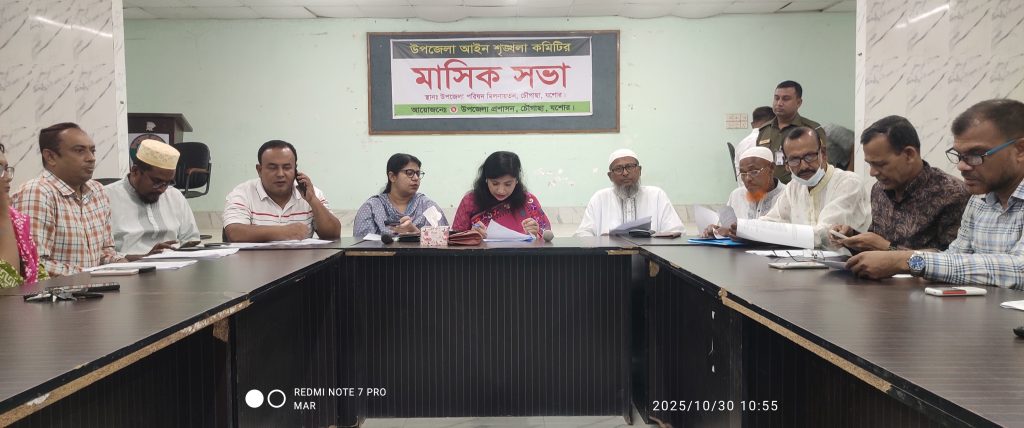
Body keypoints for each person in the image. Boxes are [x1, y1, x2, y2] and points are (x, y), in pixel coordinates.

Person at [847, 99, 1024, 289]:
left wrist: (902, 260)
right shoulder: (979, 201)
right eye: (959, 156)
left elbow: (1020, 269)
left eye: (976, 155)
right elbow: (954, 257)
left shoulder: (956, 193)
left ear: (1020, 150)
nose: (961, 166)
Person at [830, 116, 968, 252]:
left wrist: (887, 248)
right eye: (870, 164)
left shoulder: (952, 194)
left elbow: (953, 260)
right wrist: (851, 237)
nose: (872, 173)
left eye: (880, 164)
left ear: (909, 154)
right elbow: (875, 248)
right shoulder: (879, 190)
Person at [13, 122, 121, 276]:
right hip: (56, 291)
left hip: (97, 285)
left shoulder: (98, 190)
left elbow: (105, 252)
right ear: (50, 157)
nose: (91, 158)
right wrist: (89, 274)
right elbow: (34, 264)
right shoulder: (37, 192)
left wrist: (122, 263)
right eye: (79, 151)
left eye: (92, 151)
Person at [760, 127, 871, 250]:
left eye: (809, 156)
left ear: (823, 154)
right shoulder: (794, 187)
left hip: (846, 260)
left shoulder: (848, 183)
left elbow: (825, 233)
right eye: (794, 160)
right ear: (786, 165)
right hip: (802, 259)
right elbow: (772, 221)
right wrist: (748, 229)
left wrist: (777, 233)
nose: (803, 166)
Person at [223, 140, 341, 242]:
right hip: (254, 261)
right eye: (273, 168)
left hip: (302, 261)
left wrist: (313, 201)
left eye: (287, 167)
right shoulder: (242, 193)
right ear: (259, 170)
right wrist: (285, 232)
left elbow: (333, 235)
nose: (280, 174)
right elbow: (234, 233)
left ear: (295, 169)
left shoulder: (311, 193)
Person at [107, 139, 201, 260]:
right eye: (157, 181)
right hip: (128, 267)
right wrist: (143, 258)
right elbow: (100, 254)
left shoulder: (174, 195)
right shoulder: (105, 198)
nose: (162, 189)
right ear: (135, 171)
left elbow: (191, 239)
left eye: (168, 183)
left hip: (174, 265)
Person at [575, 149, 683, 237]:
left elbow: (676, 231)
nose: (625, 173)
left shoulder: (657, 195)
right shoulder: (599, 198)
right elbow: (583, 234)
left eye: (630, 167)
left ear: (639, 170)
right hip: (609, 256)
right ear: (610, 176)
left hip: (650, 256)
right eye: (618, 169)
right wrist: (602, 242)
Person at [452, 151, 551, 238]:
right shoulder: (470, 201)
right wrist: (470, 235)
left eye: (508, 184)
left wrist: (536, 234)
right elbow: (455, 239)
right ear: (486, 179)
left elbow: (548, 236)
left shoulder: (529, 201)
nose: (501, 191)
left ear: (516, 181)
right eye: (495, 183)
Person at [353, 153, 449, 238]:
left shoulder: (428, 207)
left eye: (418, 173)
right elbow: (360, 247)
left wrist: (416, 234)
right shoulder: (371, 208)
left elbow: (443, 243)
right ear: (392, 177)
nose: (416, 178)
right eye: (410, 173)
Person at [702, 147, 784, 238]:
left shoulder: (786, 195)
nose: (748, 178)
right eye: (743, 173)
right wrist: (716, 230)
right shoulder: (736, 195)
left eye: (754, 172)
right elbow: (726, 227)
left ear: (771, 168)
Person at [755, 80, 828, 183]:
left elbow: (825, 164)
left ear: (799, 103)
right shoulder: (765, 130)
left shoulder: (812, 129)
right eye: (776, 98)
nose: (779, 103)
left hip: (801, 188)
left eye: (786, 99)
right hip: (771, 189)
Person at [0, 143, 47, 286]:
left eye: (6, 169)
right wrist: (3, 213)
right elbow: (8, 289)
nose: (8, 177)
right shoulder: (7, 216)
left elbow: (40, 277)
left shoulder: (16, 220)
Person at [733, 106, 775, 178]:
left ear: (752, 124)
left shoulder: (741, 144)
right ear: (772, 123)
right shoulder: (771, 141)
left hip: (743, 184)